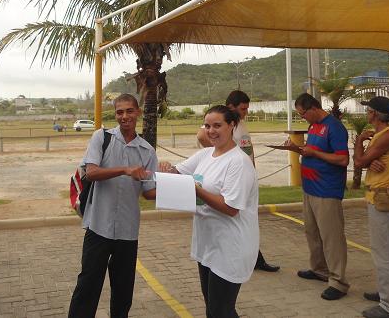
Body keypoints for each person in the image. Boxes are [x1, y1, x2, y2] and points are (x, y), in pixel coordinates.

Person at [161, 105, 259, 318]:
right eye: (207, 126)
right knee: (213, 309)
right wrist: (166, 169)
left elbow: (231, 208)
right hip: (208, 245)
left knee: (220, 310)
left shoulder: (239, 162)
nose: (211, 131)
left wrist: (196, 190)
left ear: (231, 125)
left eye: (217, 125)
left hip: (230, 248)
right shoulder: (205, 154)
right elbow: (178, 172)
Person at [68, 93, 157, 318]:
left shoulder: (147, 150)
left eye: (129, 111)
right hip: (98, 226)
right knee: (88, 285)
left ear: (138, 112)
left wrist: (181, 185)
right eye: (119, 112)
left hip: (128, 230)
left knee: (123, 290)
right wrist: (125, 170)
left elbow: (149, 192)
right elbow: (91, 172)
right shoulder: (102, 137)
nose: (124, 116)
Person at [196, 90, 279, 273]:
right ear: (231, 107)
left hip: (244, 177)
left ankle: (256, 259)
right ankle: (256, 259)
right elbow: (201, 135)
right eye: (242, 108)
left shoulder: (241, 125)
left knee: (246, 219)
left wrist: (252, 169)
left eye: (247, 108)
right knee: (236, 215)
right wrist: (219, 153)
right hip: (230, 178)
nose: (245, 112)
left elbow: (248, 147)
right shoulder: (220, 122)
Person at [292, 93, 350, 301]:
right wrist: (299, 149)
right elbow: (313, 150)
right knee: (313, 233)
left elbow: (342, 159)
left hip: (327, 190)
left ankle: (338, 282)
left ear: (313, 108)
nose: (302, 118)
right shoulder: (313, 126)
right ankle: (319, 269)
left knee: (331, 237)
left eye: (303, 114)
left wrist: (315, 154)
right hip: (310, 189)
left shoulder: (334, 127)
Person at [353, 96, 389, 318]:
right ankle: (387, 293)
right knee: (384, 252)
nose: (367, 113)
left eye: (368, 110)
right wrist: (369, 160)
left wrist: (359, 142)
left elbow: (358, 162)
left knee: (386, 255)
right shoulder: (381, 136)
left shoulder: (388, 136)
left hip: (383, 200)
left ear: (374, 114)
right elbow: (366, 161)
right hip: (380, 199)